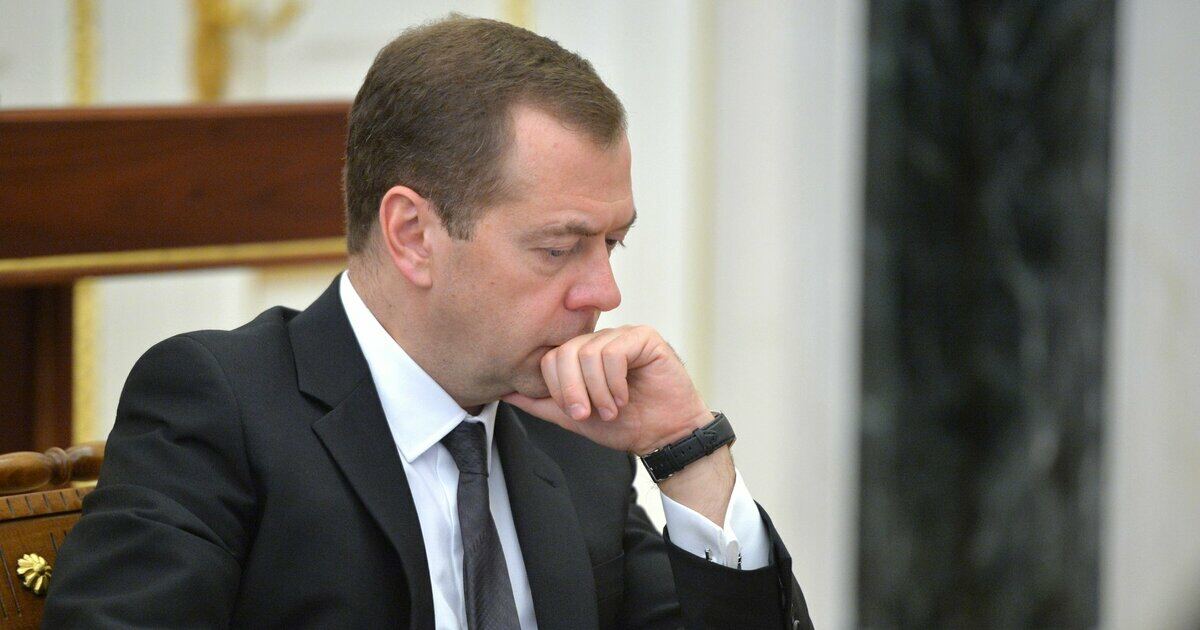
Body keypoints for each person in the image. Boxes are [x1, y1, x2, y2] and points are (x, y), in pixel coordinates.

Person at [44, 15, 814, 630]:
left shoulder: (571, 438)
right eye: (558, 248)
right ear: (412, 234)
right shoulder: (222, 408)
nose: (605, 293)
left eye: (612, 244)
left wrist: (687, 447)